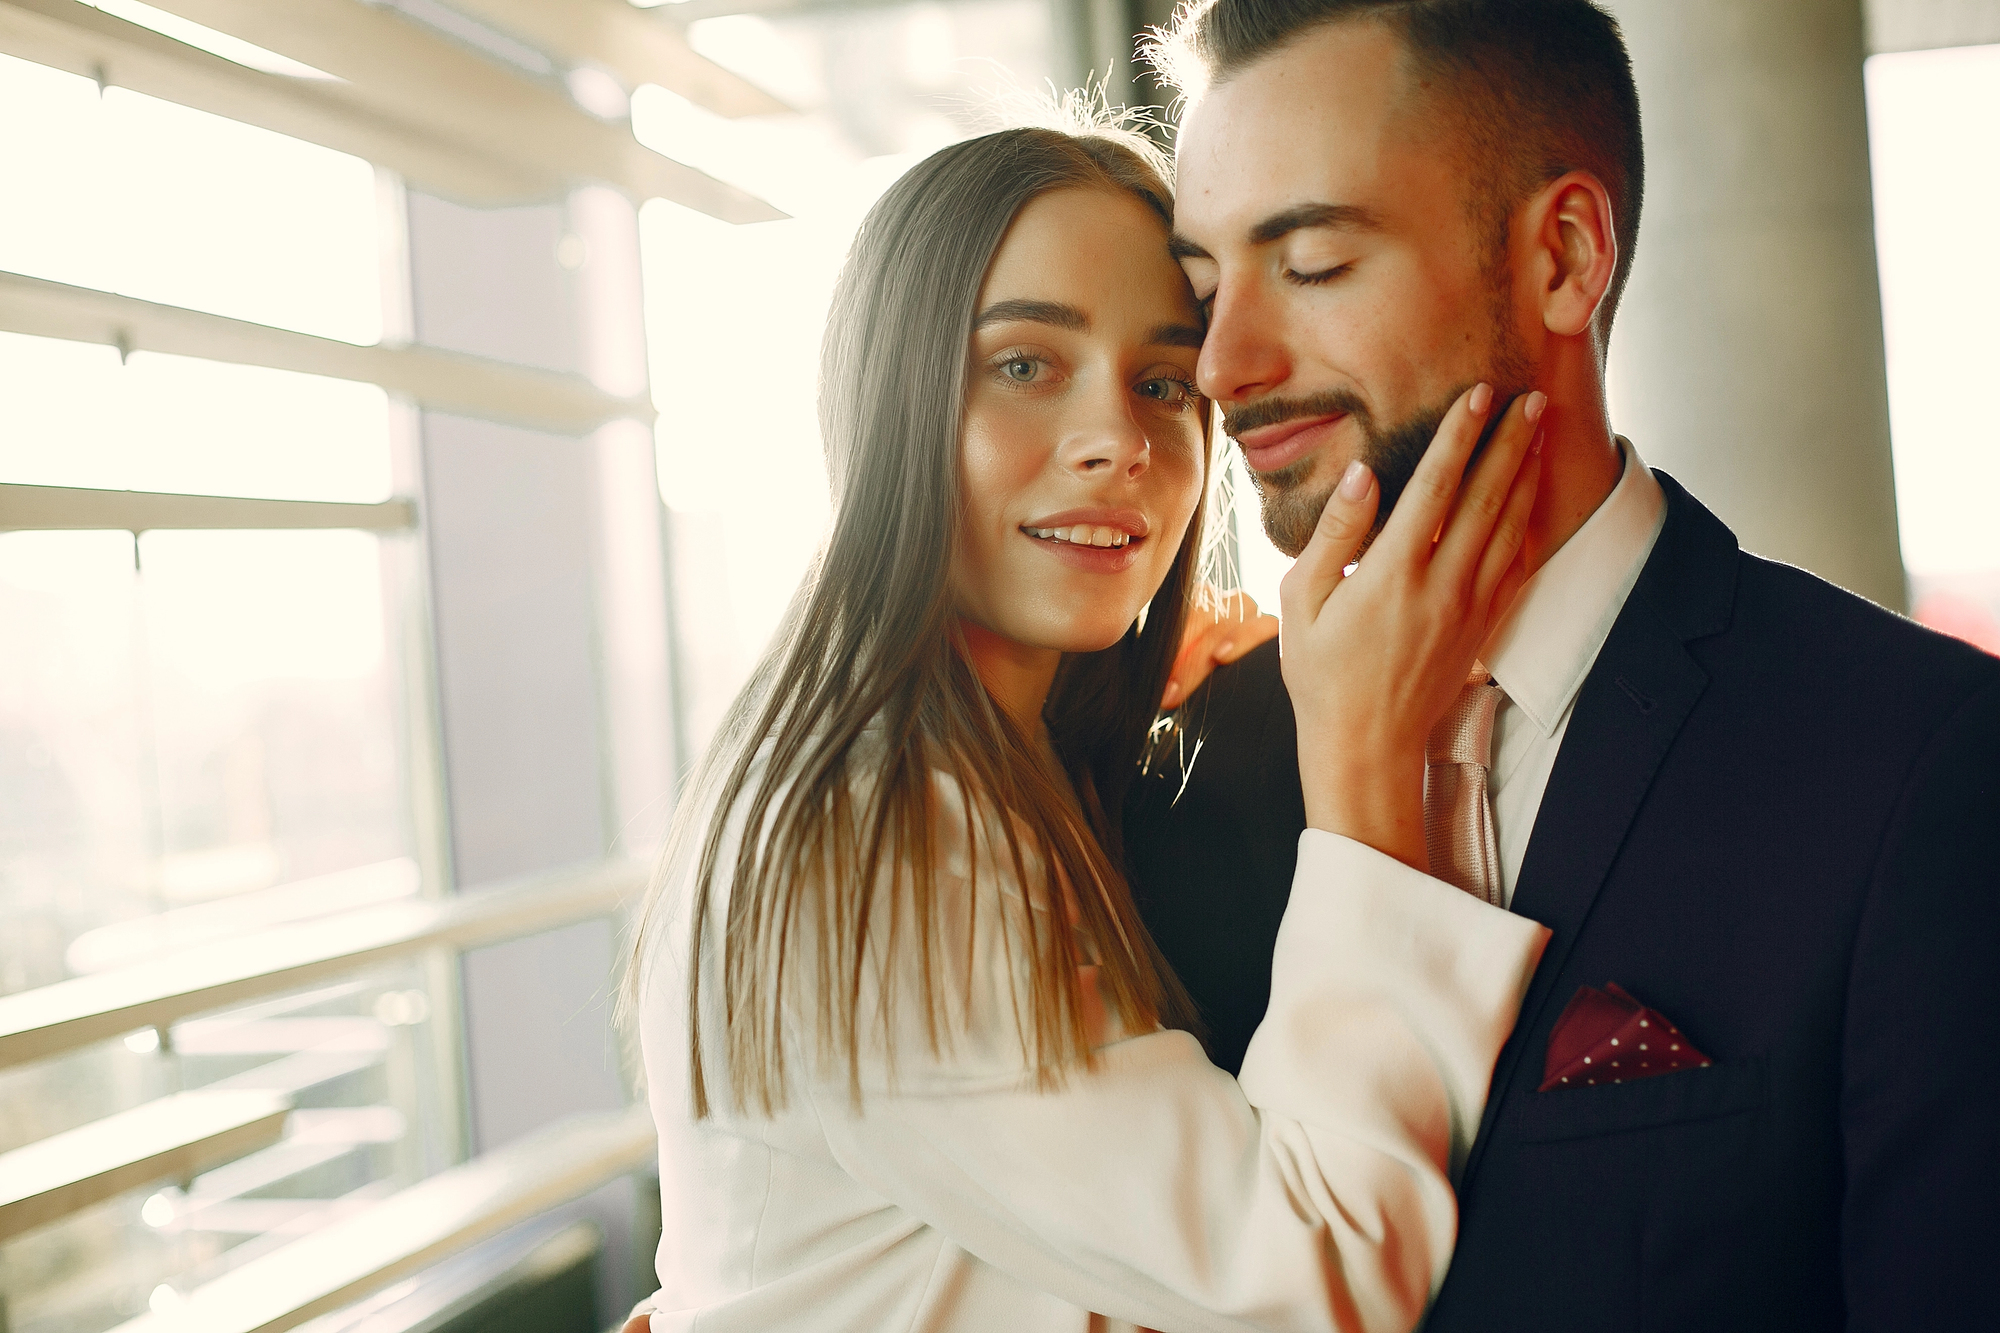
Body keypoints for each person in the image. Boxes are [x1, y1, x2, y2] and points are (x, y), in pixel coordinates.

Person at [1124, 2, 2000, 1329]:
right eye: (1204, 291)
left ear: (1565, 256)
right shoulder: (1186, 778)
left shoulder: (1913, 758)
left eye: (1308, 264)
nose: (1226, 364)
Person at [620, 122, 1553, 1332]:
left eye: (1162, 382)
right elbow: (1320, 1269)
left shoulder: (959, 759)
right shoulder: (876, 833)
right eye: (1023, 364)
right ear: (888, 395)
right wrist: (1364, 761)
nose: (1118, 439)